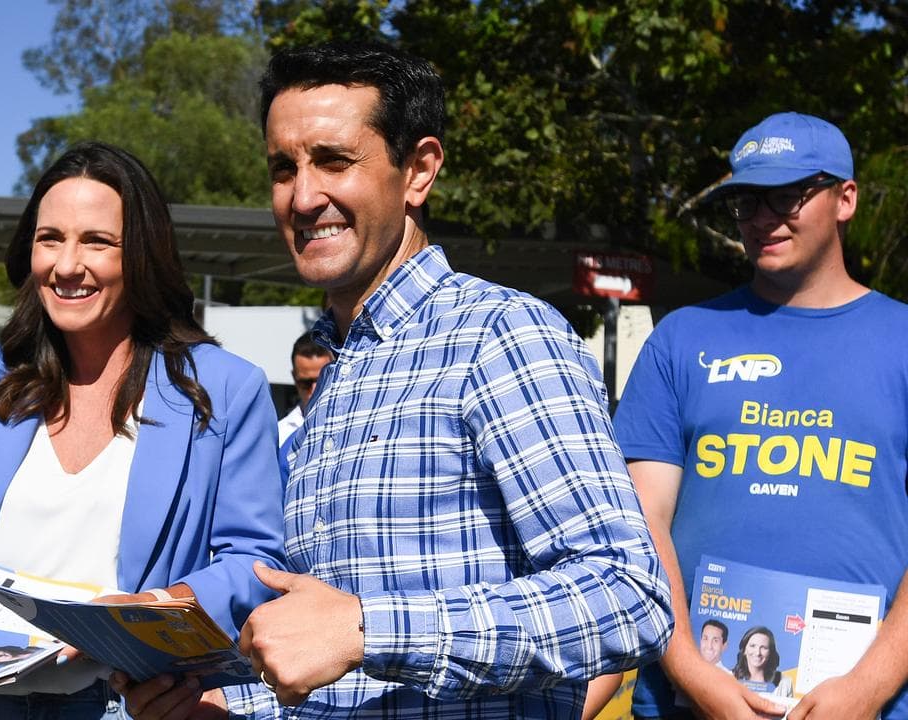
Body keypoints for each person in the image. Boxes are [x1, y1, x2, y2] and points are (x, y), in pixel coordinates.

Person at [117, 40, 671, 720]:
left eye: (333, 161)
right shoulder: (336, 373)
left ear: (419, 171)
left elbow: (627, 598)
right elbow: (331, 664)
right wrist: (217, 704)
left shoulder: (498, 336)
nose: (303, 195)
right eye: (282, 168)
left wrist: (368, 630)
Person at [0, 127, 285, 719]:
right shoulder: (1, 375)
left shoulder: (224, 387)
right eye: (50, 239)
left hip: (119, 703)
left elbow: (254, 561)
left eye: (97, 242)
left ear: (142, 254)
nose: (67, 265)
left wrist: (148, 611)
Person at [612, 111, 908, 720]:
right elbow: (641, 522)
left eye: (787, 195)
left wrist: (869, 688)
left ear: (844, 198)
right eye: (746, 201)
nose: (763, 217)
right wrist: (694, 675)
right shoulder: (681, 339)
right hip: (690, 703)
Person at [276, 332, 333, 445]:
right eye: (305, 383)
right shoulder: (280, 435)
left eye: (322, 380)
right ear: (294, 377)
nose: (314, 389)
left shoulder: (353, 424)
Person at [732, 627, 793, 697]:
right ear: (744, 650)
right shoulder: (727, 677)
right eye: (752, 646)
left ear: (770, 652)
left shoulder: (784, 682)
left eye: (764, 647)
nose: (758, 653)